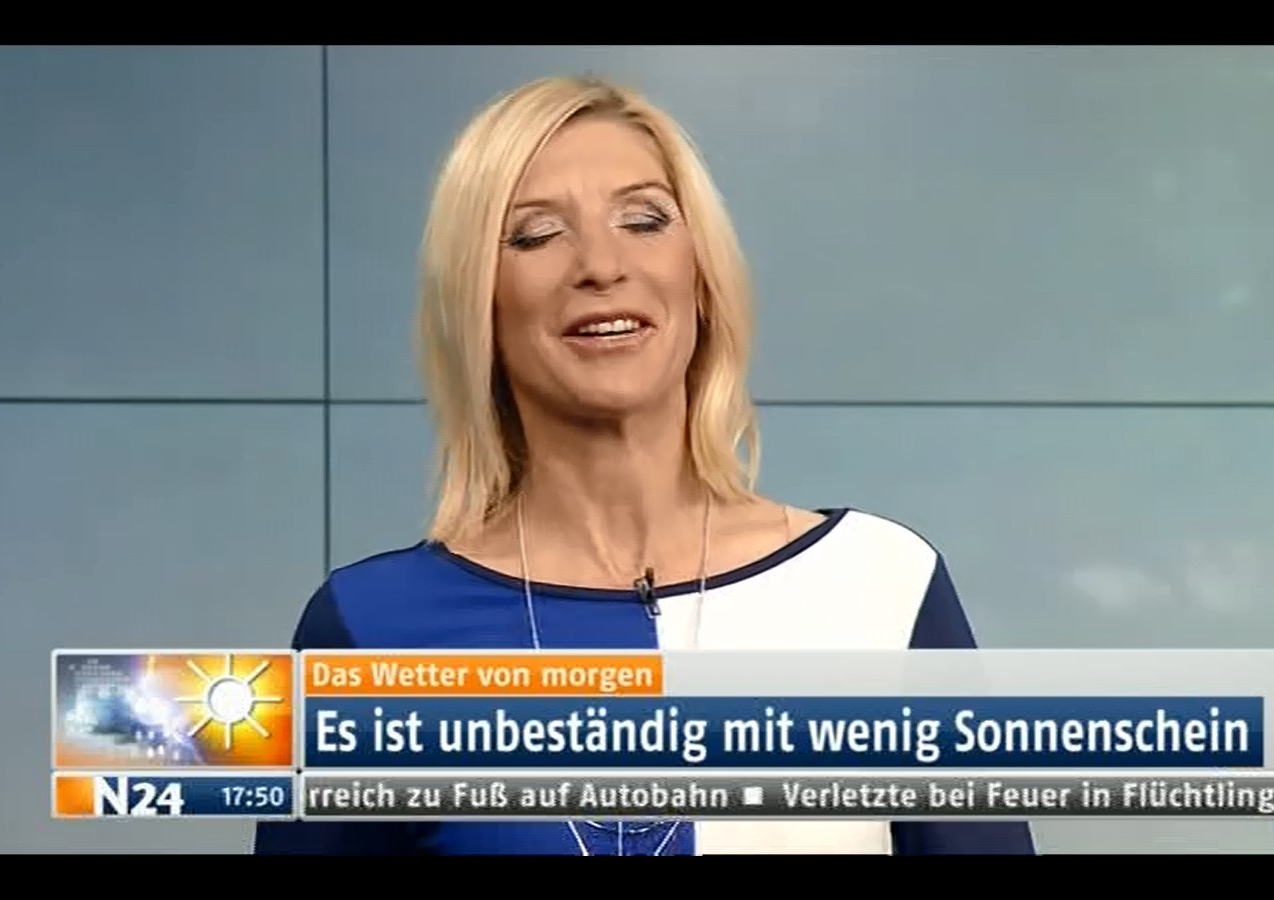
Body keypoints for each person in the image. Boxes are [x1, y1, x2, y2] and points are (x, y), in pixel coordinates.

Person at [254, 74, 1035, 856]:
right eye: (534, 234)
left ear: (701, 277)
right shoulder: (367, 626)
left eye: (643, 220)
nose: (601, 264)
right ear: (477, 300)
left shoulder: (884, 585)